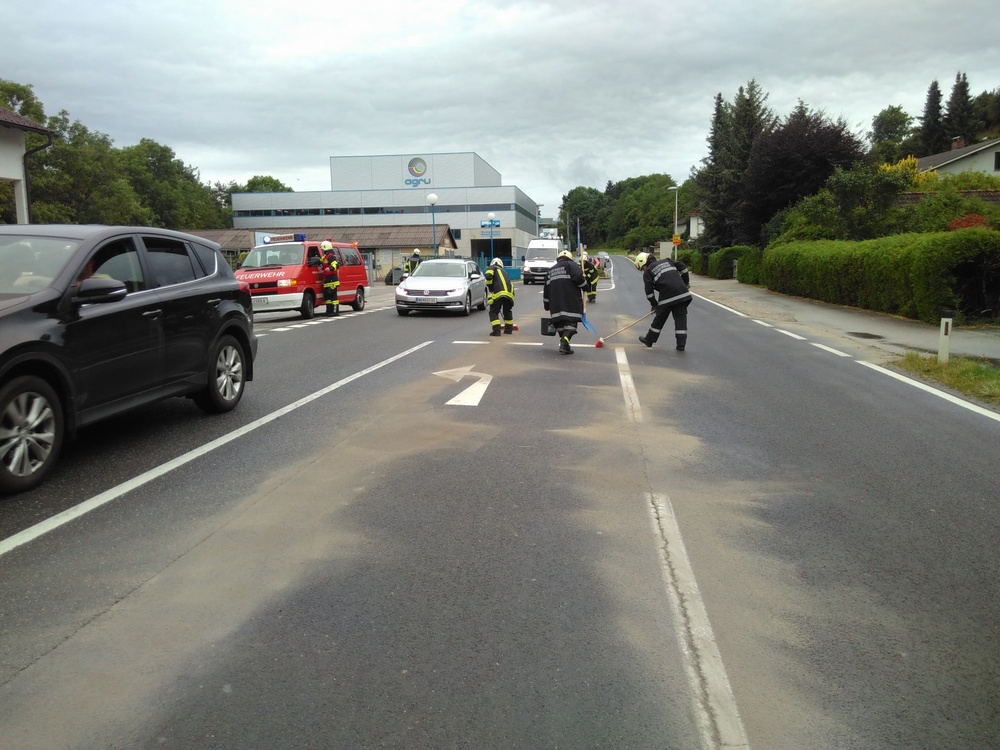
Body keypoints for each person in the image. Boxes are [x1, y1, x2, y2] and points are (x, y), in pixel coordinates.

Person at [635, 251, 692, 351]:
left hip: (667, 297)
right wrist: (685, 283)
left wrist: (654, 304)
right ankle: (681, 345)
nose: (644, 270)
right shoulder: (667, 261)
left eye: (642, 268)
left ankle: (649, 340)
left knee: (659, 319)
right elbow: (683, 267)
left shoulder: (648, 272)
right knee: (681, 320)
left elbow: (649, 293)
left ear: (643, 262)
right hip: (682, 294)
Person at [543, 249, 587, 355]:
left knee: (560, 325)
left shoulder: (550, 270)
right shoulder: (571, 265)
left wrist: (547, 305)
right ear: (570, 259)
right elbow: (579, 279)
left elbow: (546, 290)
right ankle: (564, 343)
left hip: (555, 304)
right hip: (570, 302)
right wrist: (585, 285)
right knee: (571, 323)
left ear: (558, 259)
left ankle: (565, 346)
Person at [485, 257, 515, 336]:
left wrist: (490, 288)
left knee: (493, 312)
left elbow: (488, 276)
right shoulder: (504, 272)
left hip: (499, 293)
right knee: (507, 311)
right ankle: (508, 330)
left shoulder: (492, 267)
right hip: (510, 294)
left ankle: (496, 331)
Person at [321, 240, 340, 317]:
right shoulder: (325, 256)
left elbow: (336, 264)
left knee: (333, 297)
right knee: (328, 297)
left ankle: (335, 311)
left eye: (322, 249)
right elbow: (321, 261)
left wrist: (330, 268)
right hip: (327, 280)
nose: (322, 250)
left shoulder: (331, 256)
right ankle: (329, 312)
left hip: (332, 280)